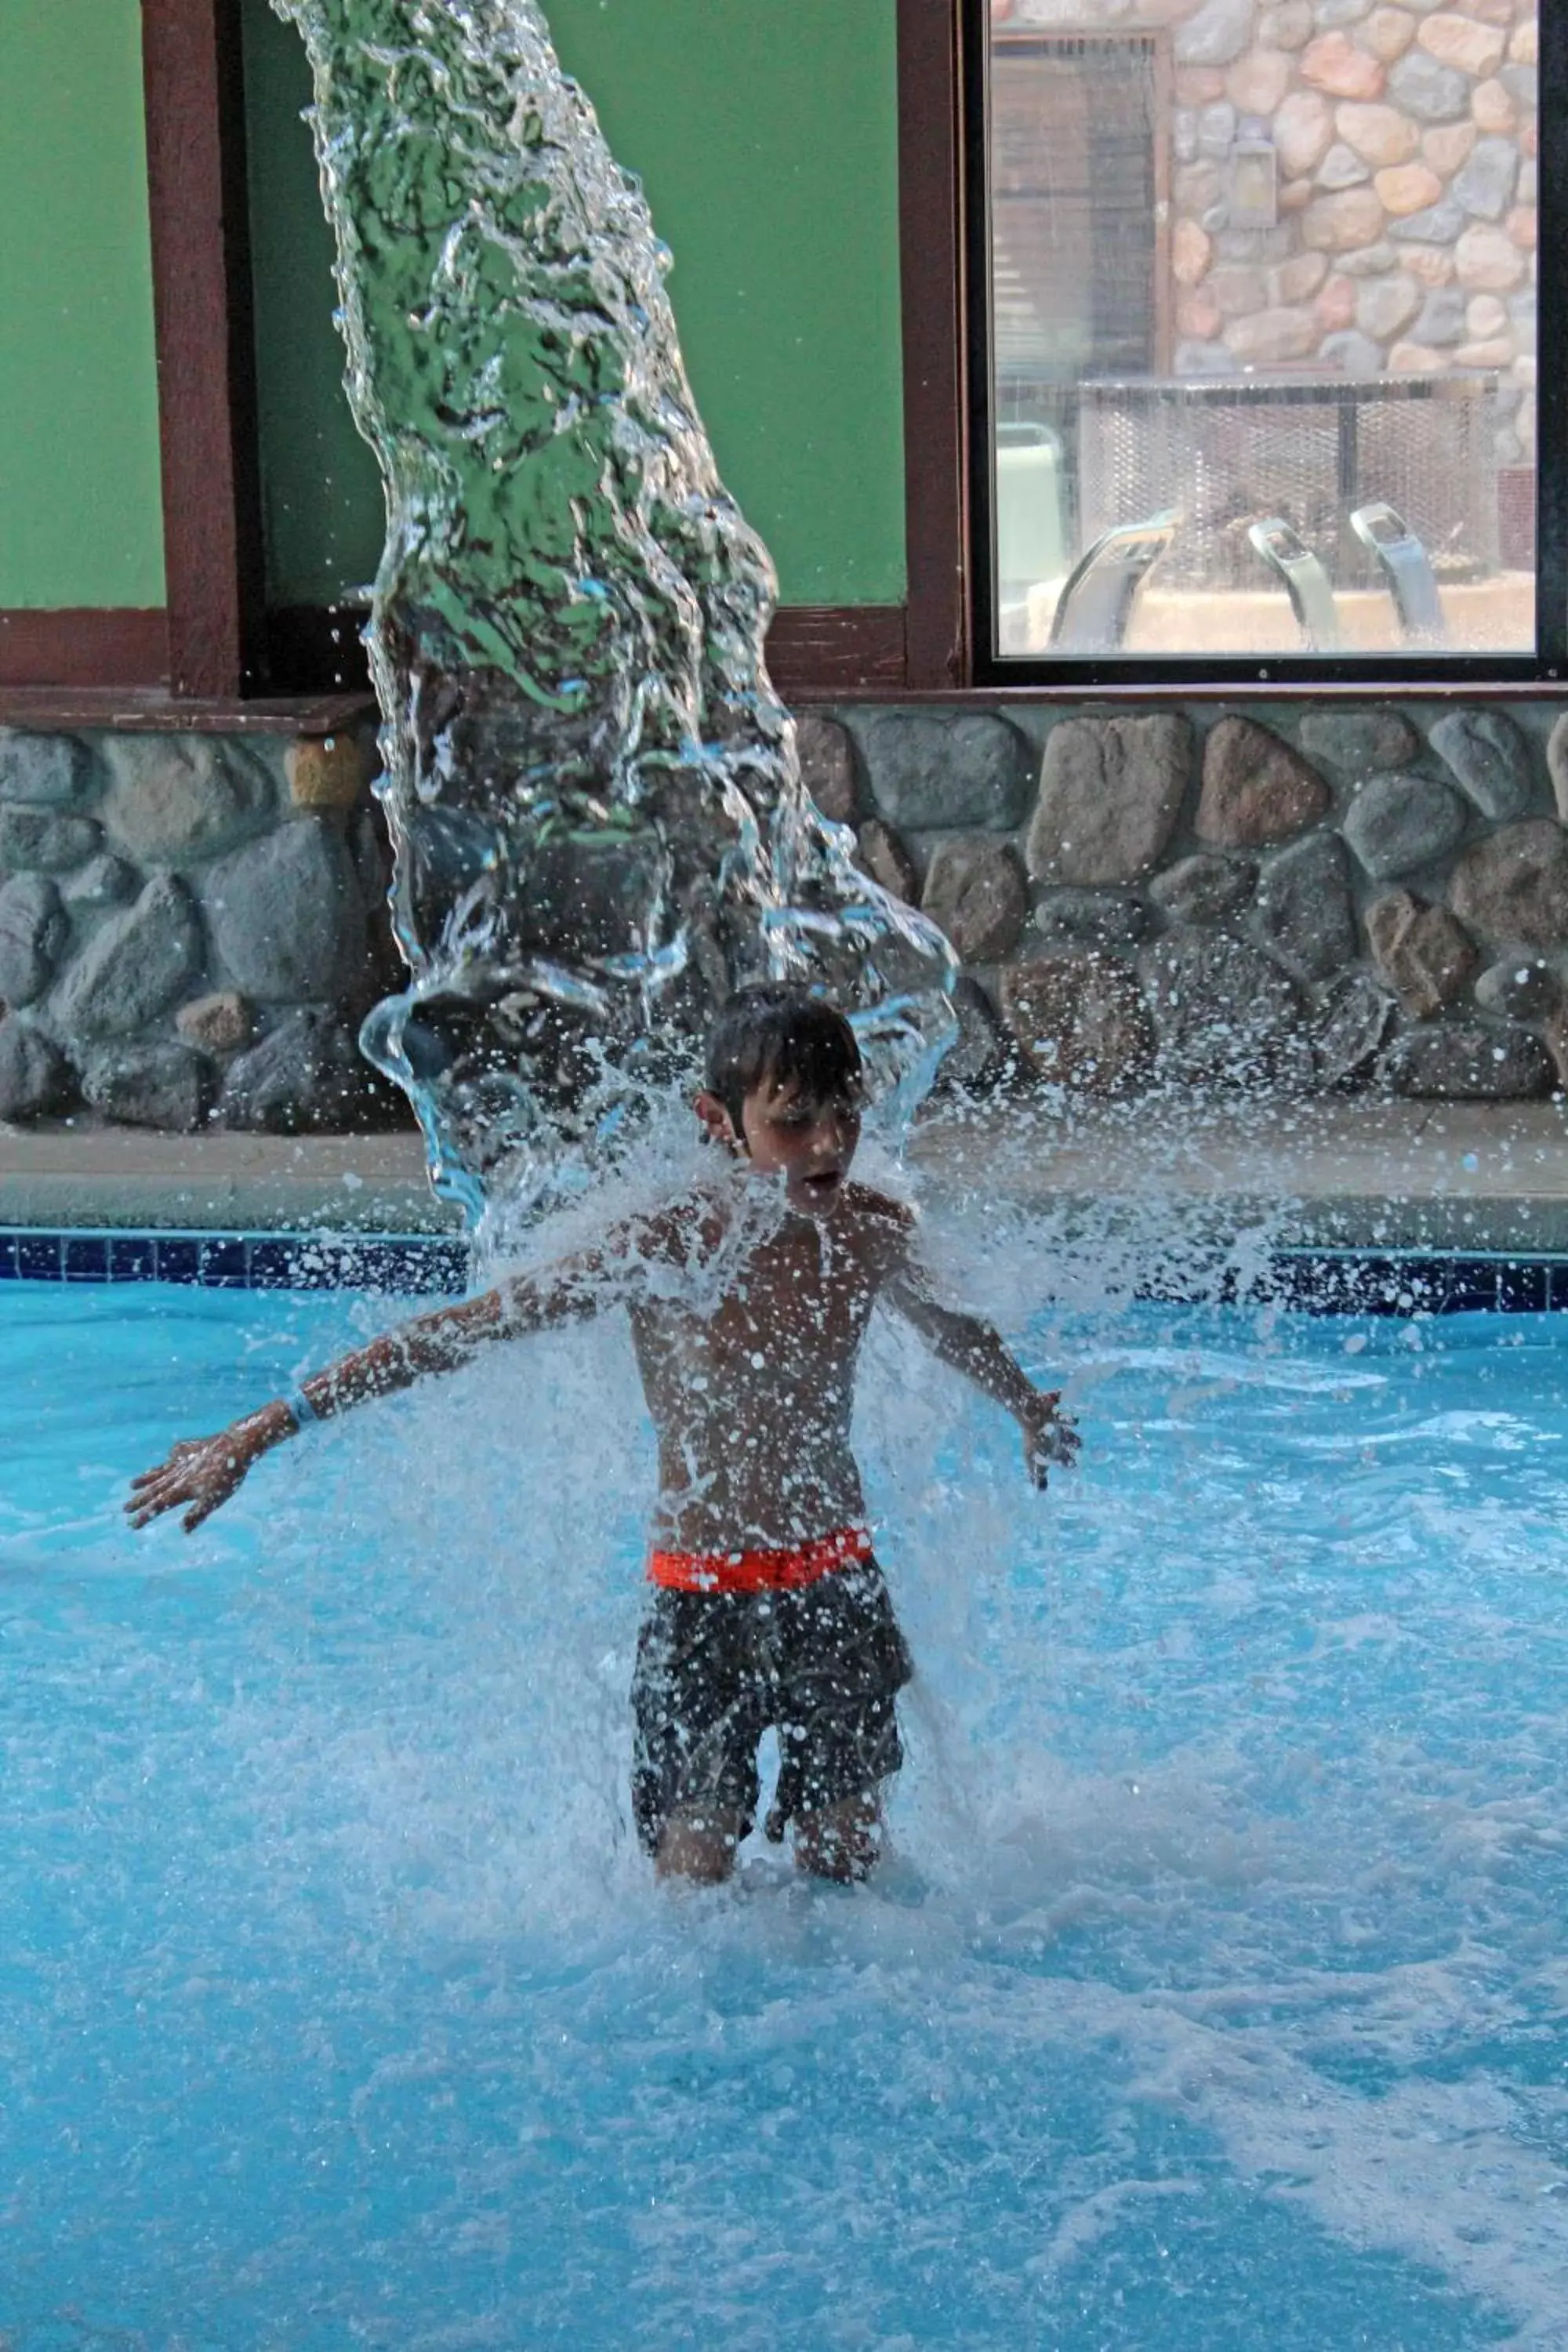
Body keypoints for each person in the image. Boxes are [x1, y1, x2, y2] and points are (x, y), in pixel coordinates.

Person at [128, 986, 1078, 1886]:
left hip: (835, 1579)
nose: (828, 1142)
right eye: (792, 1119)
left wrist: (1023, 1403)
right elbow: (459, 1332)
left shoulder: (870, 1233)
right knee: (690, 1881)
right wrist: (263, 1429)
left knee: (848, 1864)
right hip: (701, 1595)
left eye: (844, 1111)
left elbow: (951, 1325)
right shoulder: (669, 1245)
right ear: (719, 1122)